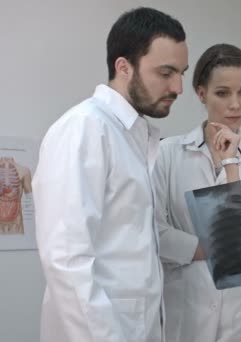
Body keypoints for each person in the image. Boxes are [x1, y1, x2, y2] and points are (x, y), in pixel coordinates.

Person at [32, 8, 188, 342]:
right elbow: (66, 259)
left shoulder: (134, 137)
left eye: (181, 73)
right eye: (166, 73)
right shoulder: (85, 129)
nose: (178, 86)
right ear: (123, 66)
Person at [154, 43, 241, 342]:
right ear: (201, 93)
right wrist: (221, 249)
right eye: (222, 93)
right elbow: (153, 233)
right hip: (186, 317)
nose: (235, 105)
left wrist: (231, 163)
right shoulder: (167, 155)